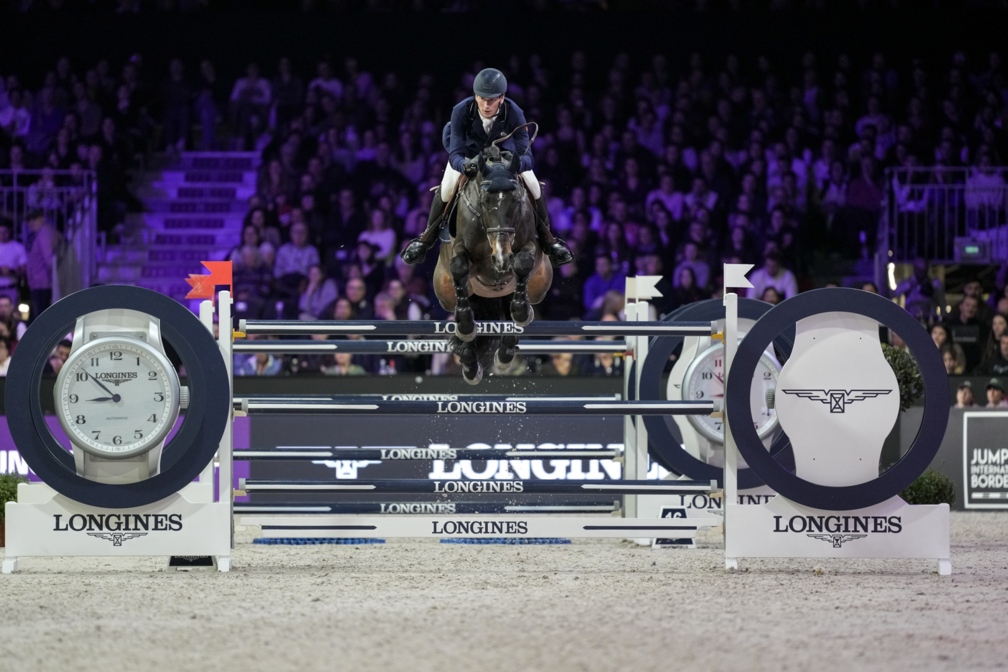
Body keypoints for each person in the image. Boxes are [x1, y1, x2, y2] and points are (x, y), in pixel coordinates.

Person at [399, 68, 572, 268]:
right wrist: (465, 165)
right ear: (475, 96)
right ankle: (425, 240)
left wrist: (514, 166)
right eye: (482, 98)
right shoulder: (461, 111)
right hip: (468, 156)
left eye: (492, 99)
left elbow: (527, 156)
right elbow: (454, 153)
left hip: (505, 160)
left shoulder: (514, 111)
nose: (486, 104)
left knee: (534, 185)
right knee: (446, 189)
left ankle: (549, 240)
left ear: (502, 97)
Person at [25, 210, 58, 319]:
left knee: (42, 319)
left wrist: (51, 279)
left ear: (42, 219)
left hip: (43, 284)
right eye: (29, 220)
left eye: (34, 219)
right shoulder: (39, 234)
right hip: (38, 283)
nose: (31, 223)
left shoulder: (44, 232)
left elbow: (48, 259)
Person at [0, 218, 27, 303]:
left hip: (11, 288)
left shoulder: (18, 248)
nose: (2, 235)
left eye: (5, 232)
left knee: (11, 315)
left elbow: (24, 270)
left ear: (10, 231)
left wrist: (11, 271)